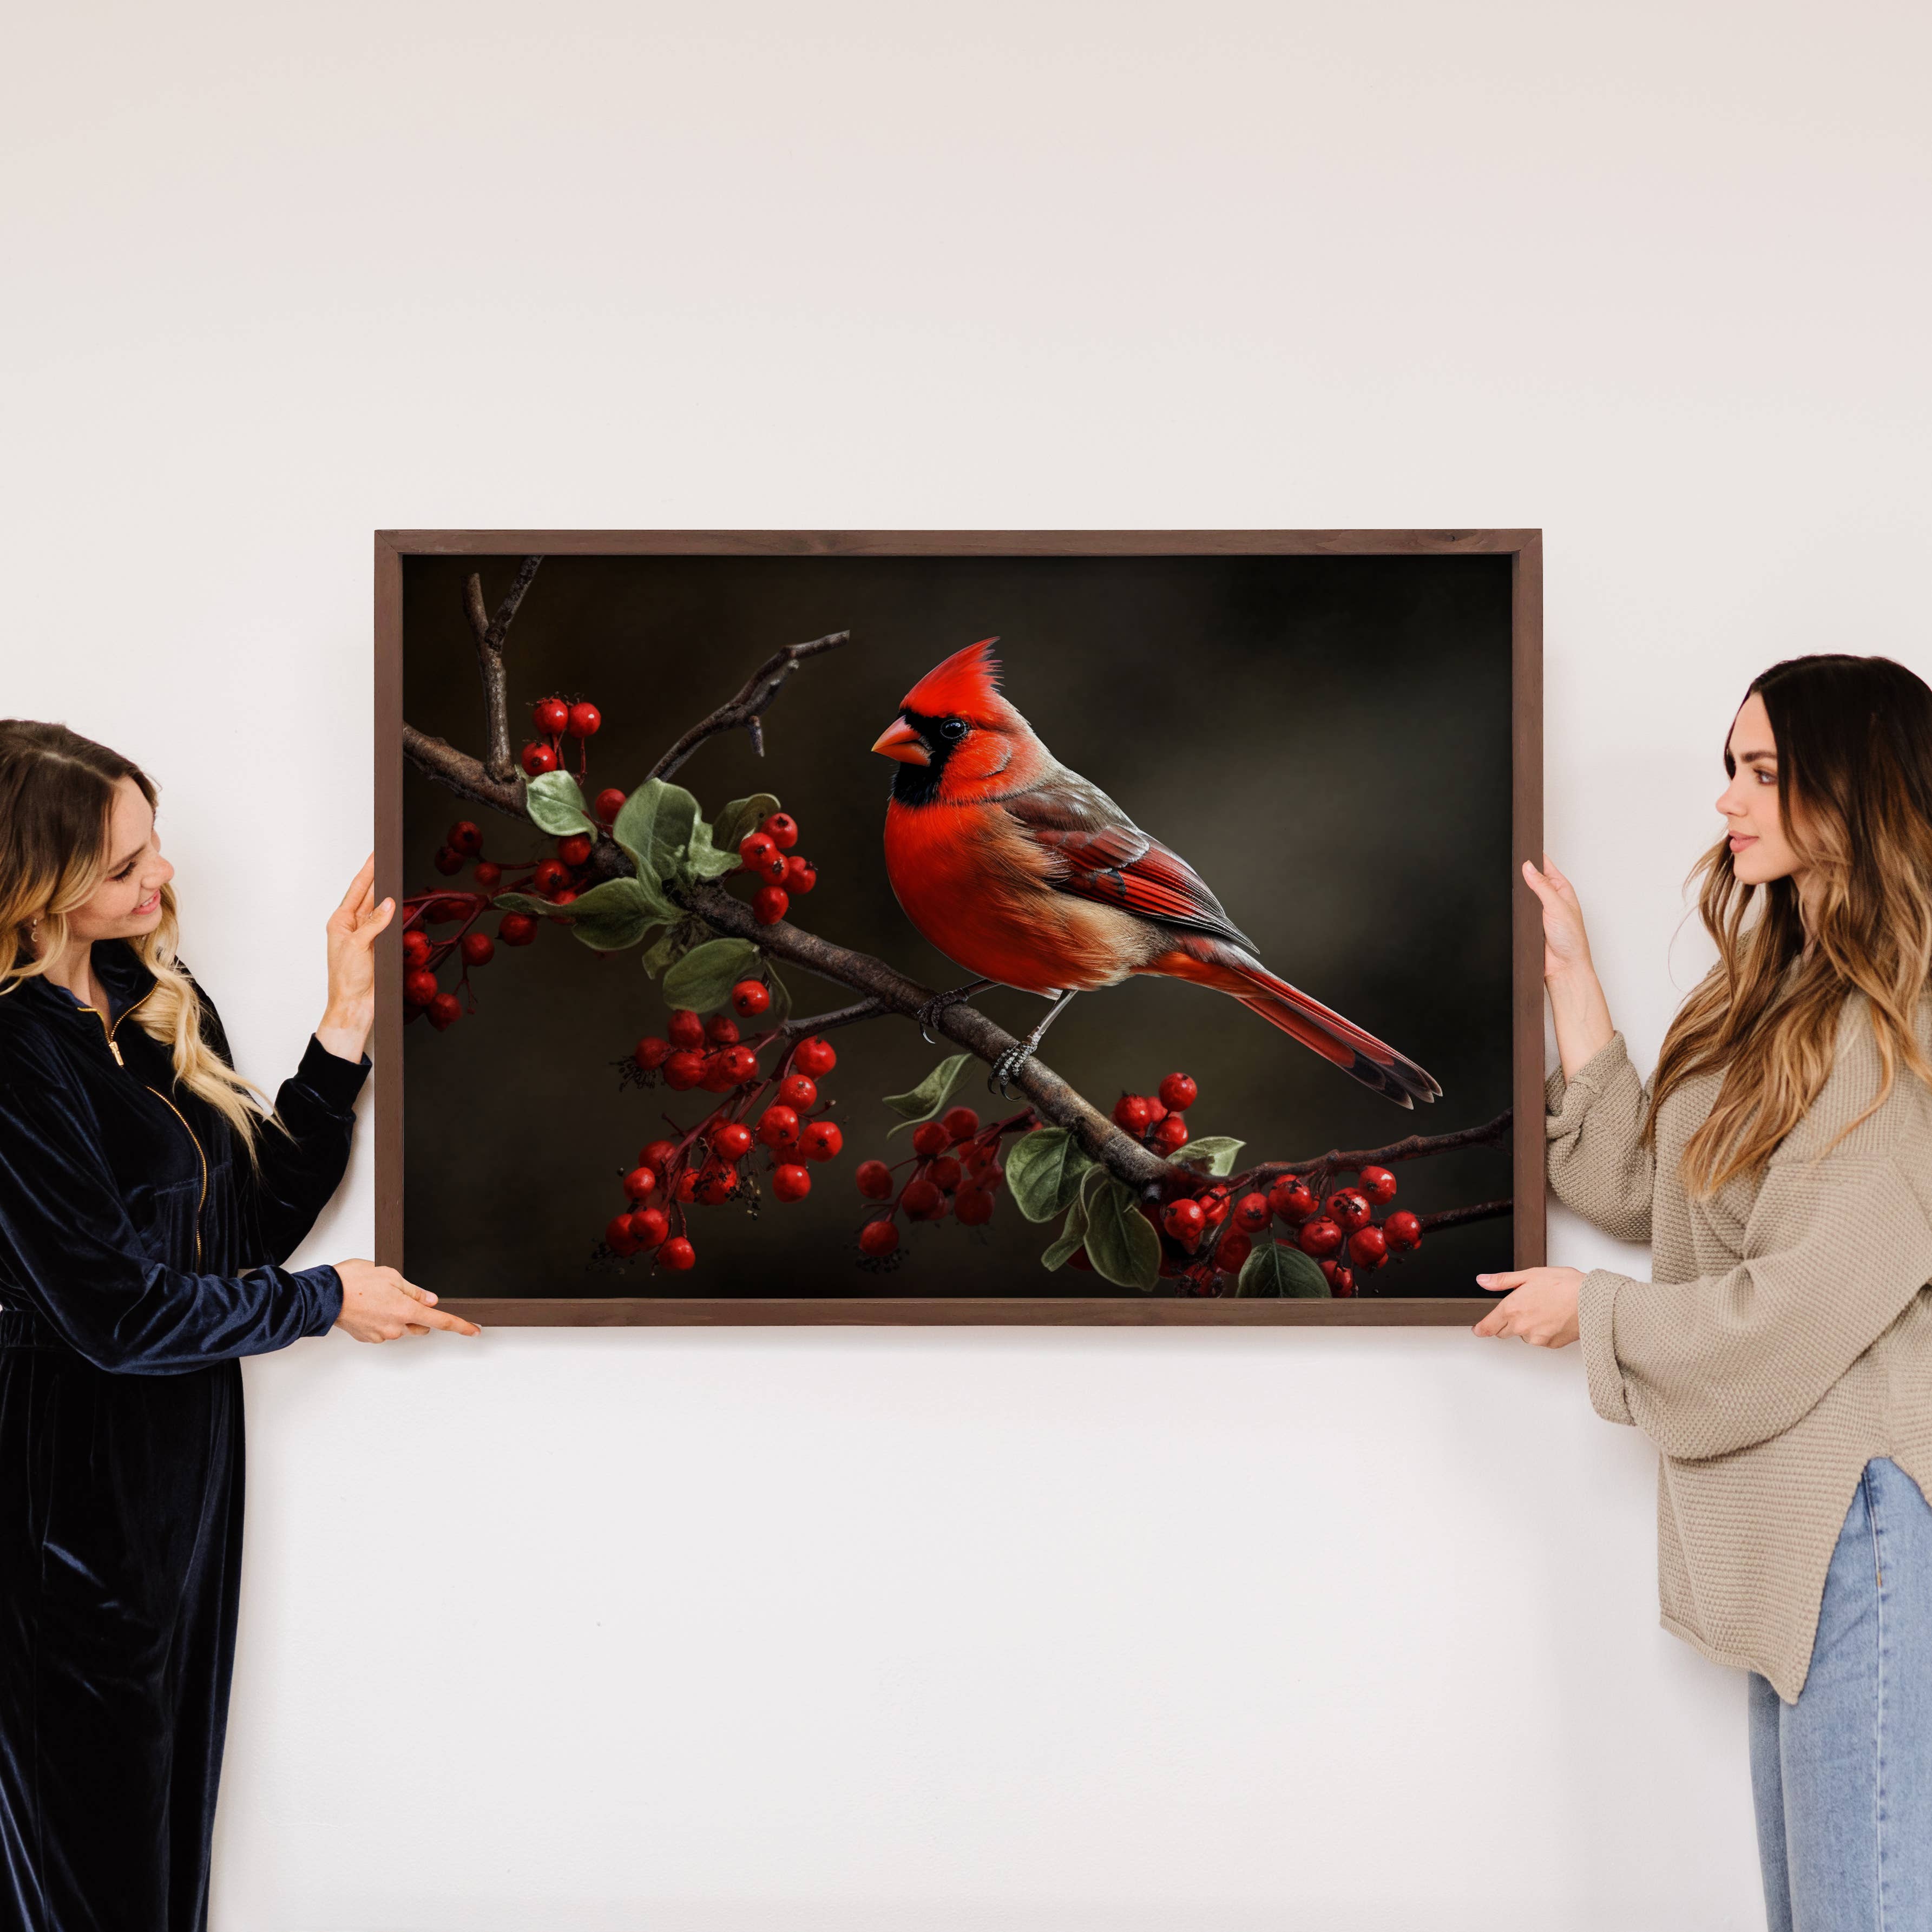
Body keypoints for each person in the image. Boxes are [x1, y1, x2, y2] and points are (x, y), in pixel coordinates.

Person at [1475, 655, 1932, 1929]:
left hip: (1866, 1532)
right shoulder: (1774, 994)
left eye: (1766, 774)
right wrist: (1572, 977)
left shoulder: (1906, 1028)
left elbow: (1797, 1310)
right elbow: (1649, 1189)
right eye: (1731, 770)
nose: (1730, 802)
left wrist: (1595, 1316)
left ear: (1857, 791)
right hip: (1798, 1537)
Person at [0, 720, 479, 1932]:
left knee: (158, 1843)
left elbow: (245, 1227)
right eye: (124, 867)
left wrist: (346, 1022)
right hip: (53, 1496)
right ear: (32, 884)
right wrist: (327, 1303)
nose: (161, 879)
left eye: (153, 845)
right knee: (86, 1867)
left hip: (178, 1477)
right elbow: (113, 1315)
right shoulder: (11, 1056)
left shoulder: (147, 994)